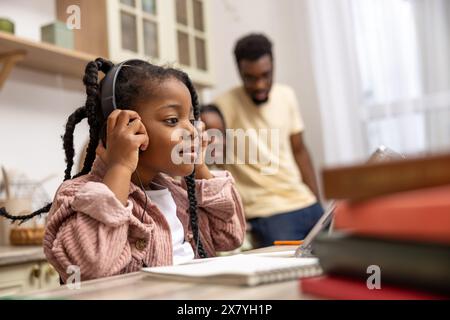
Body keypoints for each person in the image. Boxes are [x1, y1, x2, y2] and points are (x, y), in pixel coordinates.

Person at [0, 58, 246, 282]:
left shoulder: (181, 194)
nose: (192, 130)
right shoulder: (76, 194)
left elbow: (230, 236)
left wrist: (198, 165)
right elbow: (89, 266)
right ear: (126, 126)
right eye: (172, 120)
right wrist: (119, 166)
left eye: (191, 119)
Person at [214, 33, 322, 248]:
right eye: (250, 78)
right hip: (268, 213)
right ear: (239, 71)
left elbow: (299, 150)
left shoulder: (286, 95)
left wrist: (317, 199)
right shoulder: (222, 106)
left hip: (307, 203)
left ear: (273, 66)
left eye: (266, 75)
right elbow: (212, 159)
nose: (260, 84)